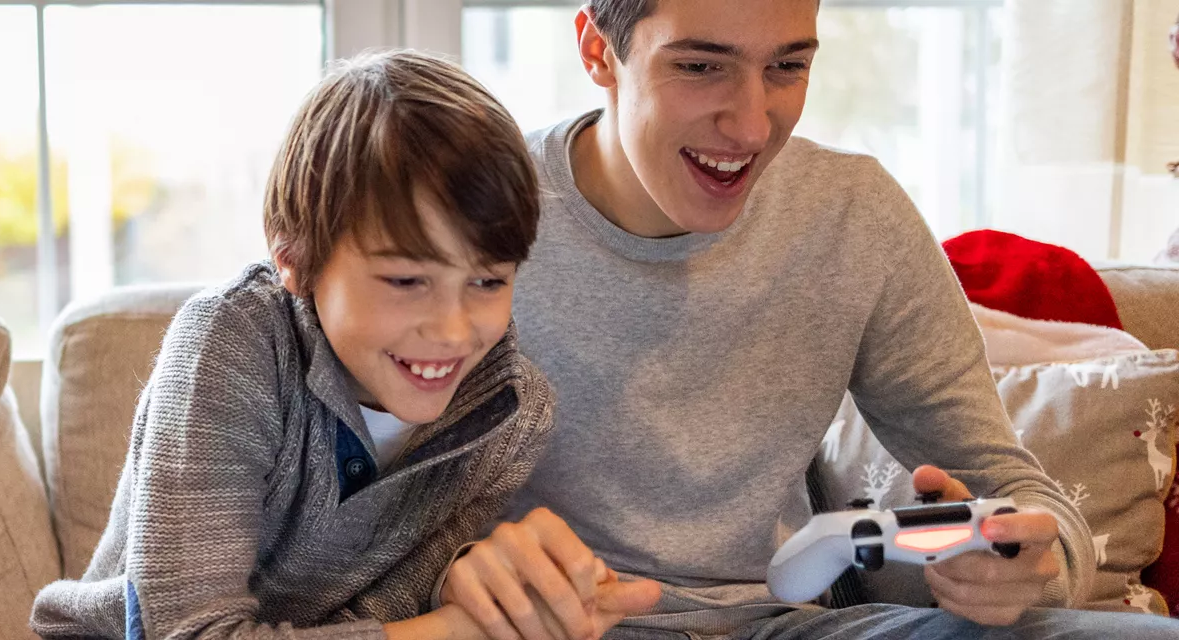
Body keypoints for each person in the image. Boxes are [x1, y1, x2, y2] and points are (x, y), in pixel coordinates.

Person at [434, 1, 1179, 639]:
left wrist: (1031, 571)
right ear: (600, 51)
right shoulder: (470, 218)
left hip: (790, 624)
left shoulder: (853, 217)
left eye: (787, 68)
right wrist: (454, 578)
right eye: (701, 67)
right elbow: (347, 523)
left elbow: (1017, 489)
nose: (753, 125)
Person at [29, 50, 634, 639]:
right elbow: (190, 631)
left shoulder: (510, 416)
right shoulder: (230, 344)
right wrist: (455, 629)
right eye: (405, 280)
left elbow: (381, 616)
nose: (452, 329)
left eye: (487, 281)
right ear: (294, 259)